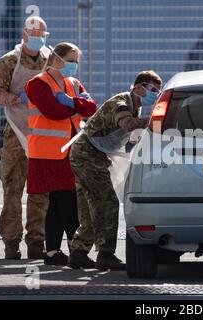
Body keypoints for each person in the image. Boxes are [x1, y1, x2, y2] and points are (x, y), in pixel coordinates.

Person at [67, 71, 163, 271]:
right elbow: (127, 124)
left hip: (92, 155)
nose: (155, 94)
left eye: (158, 91)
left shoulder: (134, 107)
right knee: (107, 201)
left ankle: (78, 253)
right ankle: (106, 254)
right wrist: (155, 121)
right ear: (138, 88)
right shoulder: (121, 103)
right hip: (87, 154)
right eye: (153, 89)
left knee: (89, 205)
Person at [25, 42, 97, 265]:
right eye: (71, 60)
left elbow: (92, 107)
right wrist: (77, 106)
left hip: (69, 150)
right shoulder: (38, 84)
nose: (74, 65)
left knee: (58, 203)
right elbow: (53, 112)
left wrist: (72, 102)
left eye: (76, 61)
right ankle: (77, 252)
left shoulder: (72, 83)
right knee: (67, 202)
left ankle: (53, 253)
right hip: (48, 152)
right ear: (56, 58)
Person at [0, 16, 51, 260]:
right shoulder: (9, 61)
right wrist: (16, 98)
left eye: (42, 35)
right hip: (16, 132)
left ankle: (36, 242)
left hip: (43, 133)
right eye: (34, 34)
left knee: (40, 191)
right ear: (24, 35)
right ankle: (11, 243)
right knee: (13, 189)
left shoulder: (50, 60)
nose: (38, 39)